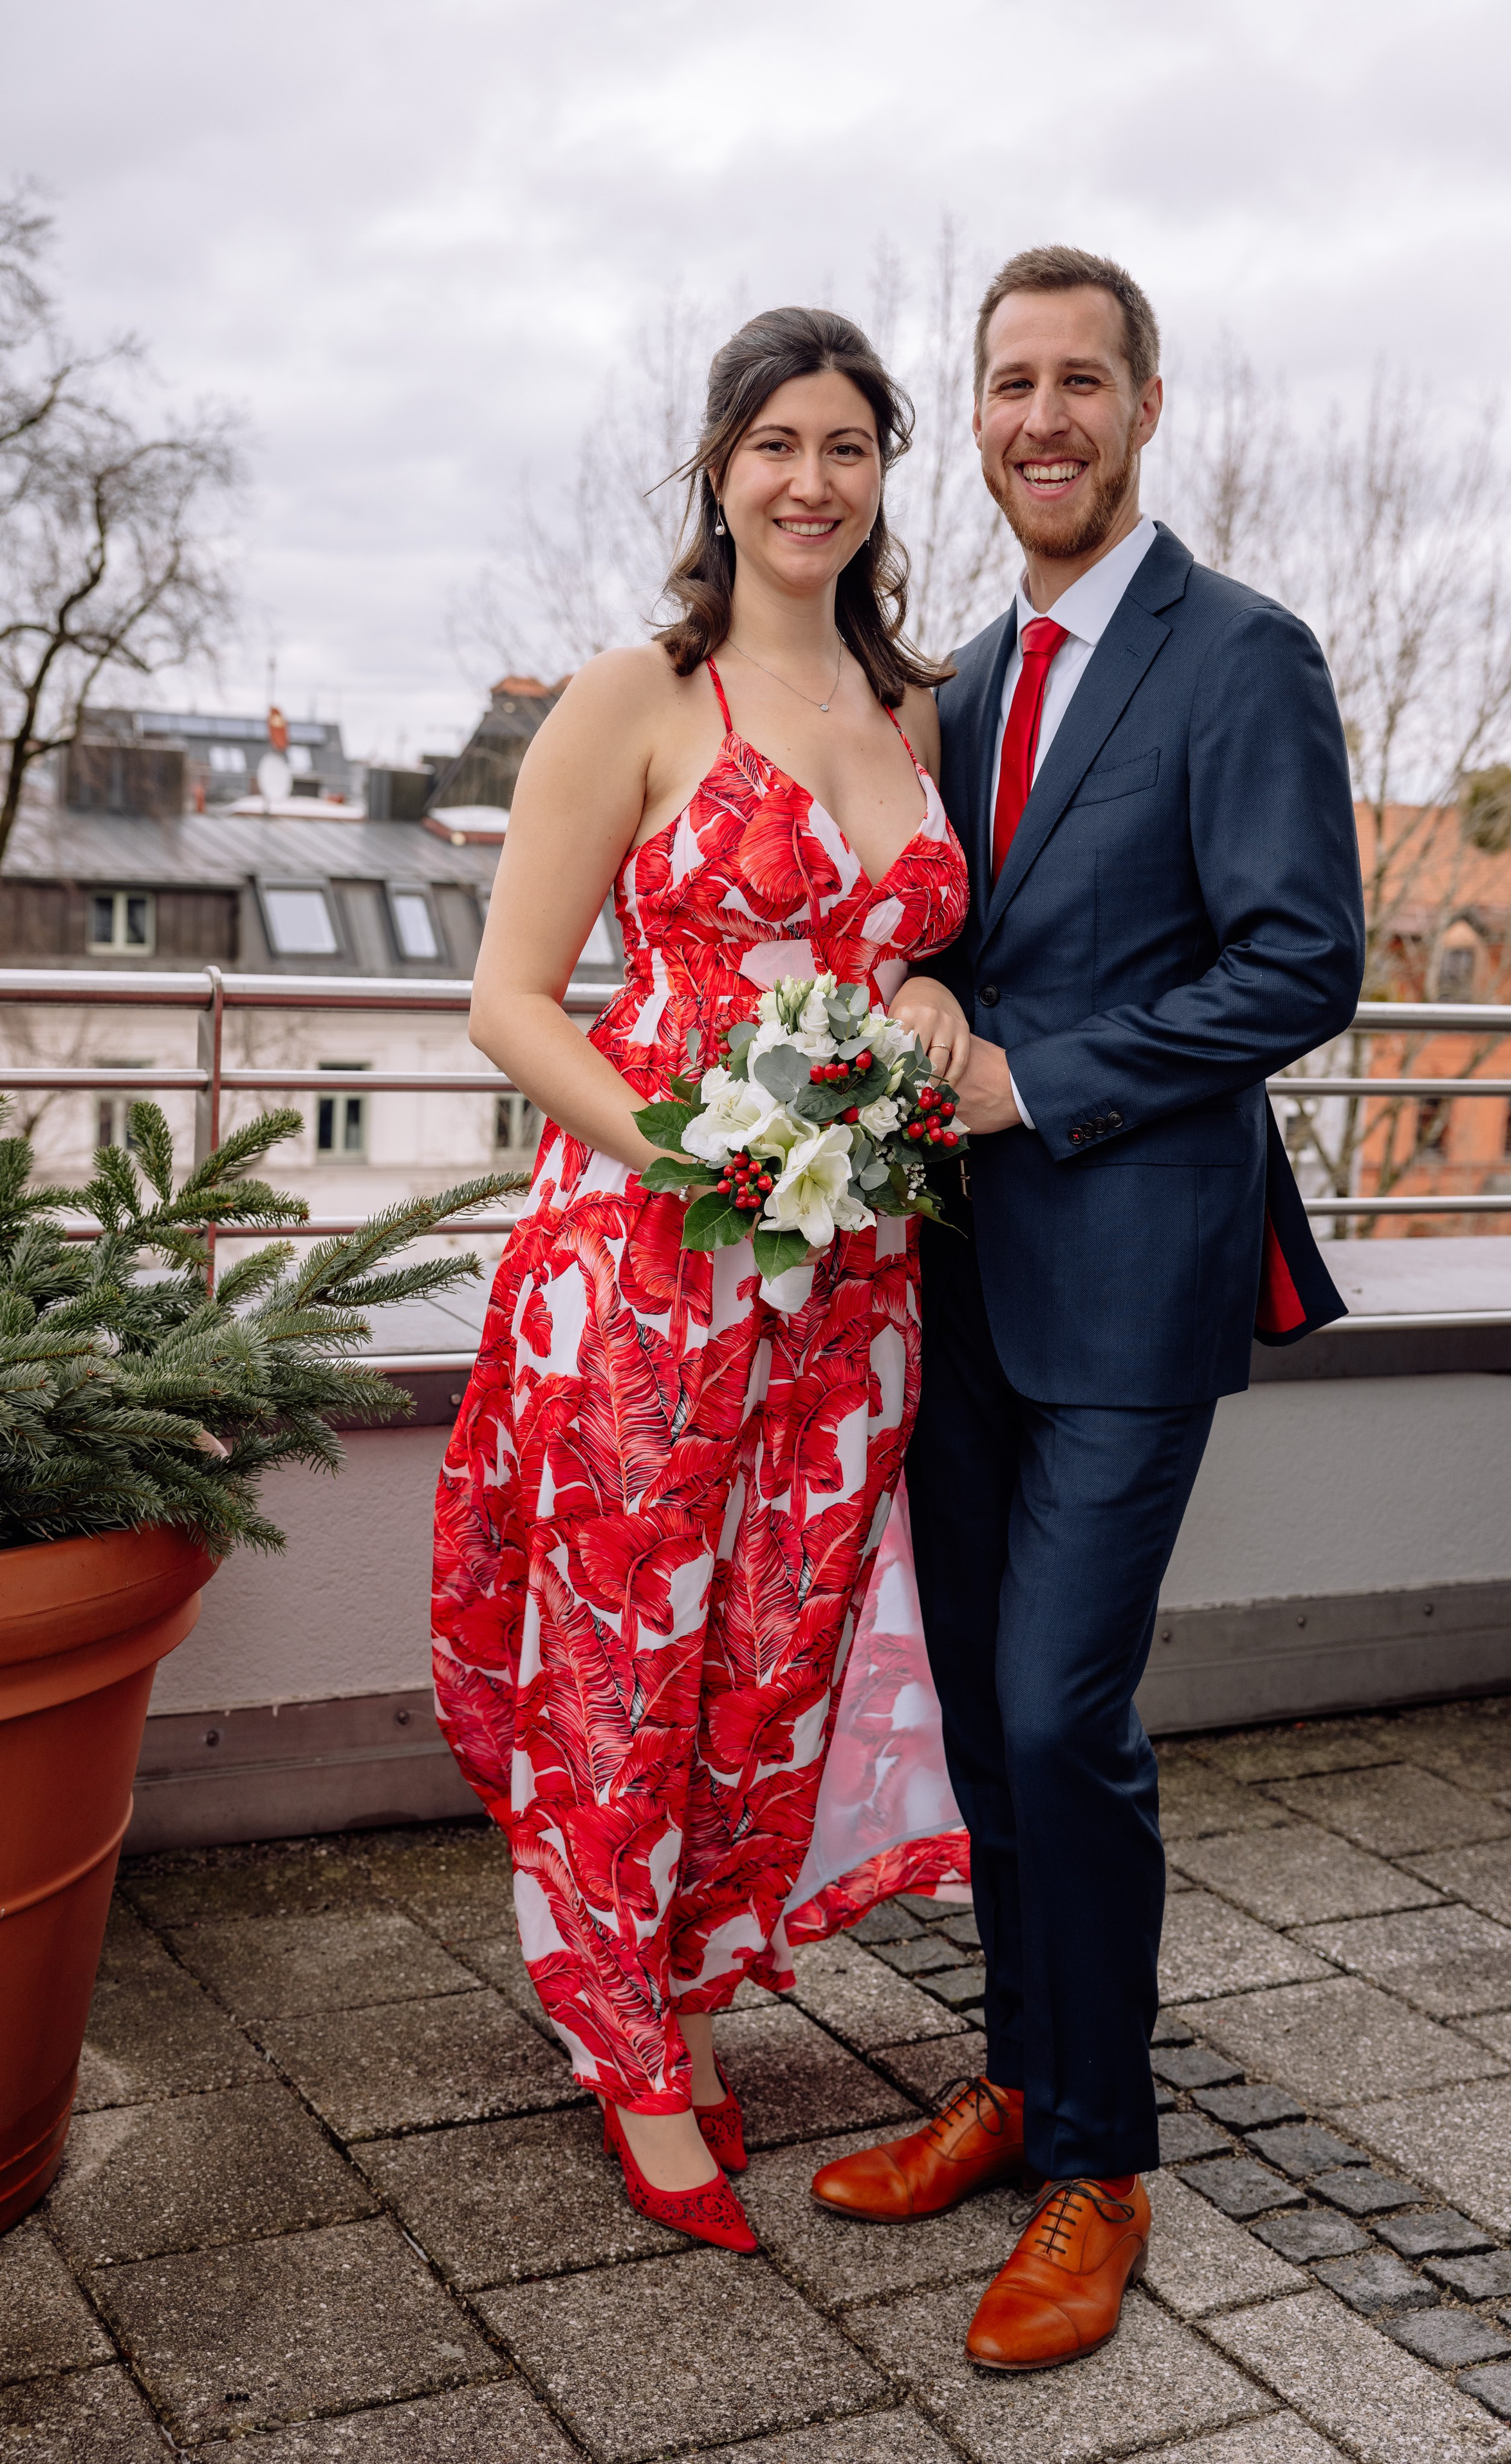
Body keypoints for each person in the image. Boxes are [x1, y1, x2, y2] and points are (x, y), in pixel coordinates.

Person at [810, 246, 1366, 2371]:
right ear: (979, 419)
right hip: (956, 1279)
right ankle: (1020, 2085)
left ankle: (1104, 2168)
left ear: (1145, 405)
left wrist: (1035, 1079)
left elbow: (1299, 962)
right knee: (981, 1716)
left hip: (1135, 1276)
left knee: (1061, 1714)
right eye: (1009, 384)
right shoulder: (959, 676)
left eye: (1080, 381)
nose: (1041, 418)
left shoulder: (1244, 654)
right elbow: (954, 936)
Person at [431, 308, 970, 2256]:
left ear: (883, 475)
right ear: (720, 471)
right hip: (653, 1267)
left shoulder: (913, 713)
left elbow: (917, 950)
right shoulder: (637, 697)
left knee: (769, 1655)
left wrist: (929, 992)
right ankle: (627, 2051)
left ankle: (689, 1984)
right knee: (627, 1658)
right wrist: (689, 1151)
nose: (812, 481)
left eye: (849, 447)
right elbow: (509, 1001)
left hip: (856, 1281)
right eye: (777, 445)